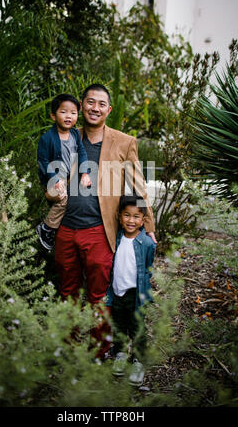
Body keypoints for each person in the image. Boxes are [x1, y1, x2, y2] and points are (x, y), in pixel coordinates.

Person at [53, 83, 157, 358]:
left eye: (101, 104)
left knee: (100, 295)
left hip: (100, 230)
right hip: (65, 228)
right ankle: (69, 346)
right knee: (67, 290)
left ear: (108, 110)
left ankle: (99, 350)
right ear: (81, 105)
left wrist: (148, 227)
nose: (95, 108)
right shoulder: (67, 137)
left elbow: (138, 188)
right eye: (90, 102)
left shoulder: (124, 142)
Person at [106, 194, 156, 386]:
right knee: (118, 325)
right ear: (119, 216)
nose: (131, 220)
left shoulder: (147, 243)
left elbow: (148, 267)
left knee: (137, 328)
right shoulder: (116, 238)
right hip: (117, 291)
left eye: (136, 217)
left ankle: (138, 361)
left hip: (136, 294)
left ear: (143, 220)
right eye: (127, 215)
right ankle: (120, 354)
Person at [36, 93, 91, 251]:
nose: (69, 116)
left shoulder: (74, 134)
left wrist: (85, 173)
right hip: (52, 179)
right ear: (53, 115)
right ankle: (46, 228)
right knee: (63, 198)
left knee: (77, 196)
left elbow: (81, 153)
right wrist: (53, 178)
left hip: (68, 177)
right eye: (63, 112)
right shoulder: (47, 138)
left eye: (73, 113)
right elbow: (43, 162)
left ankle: (60, 231)